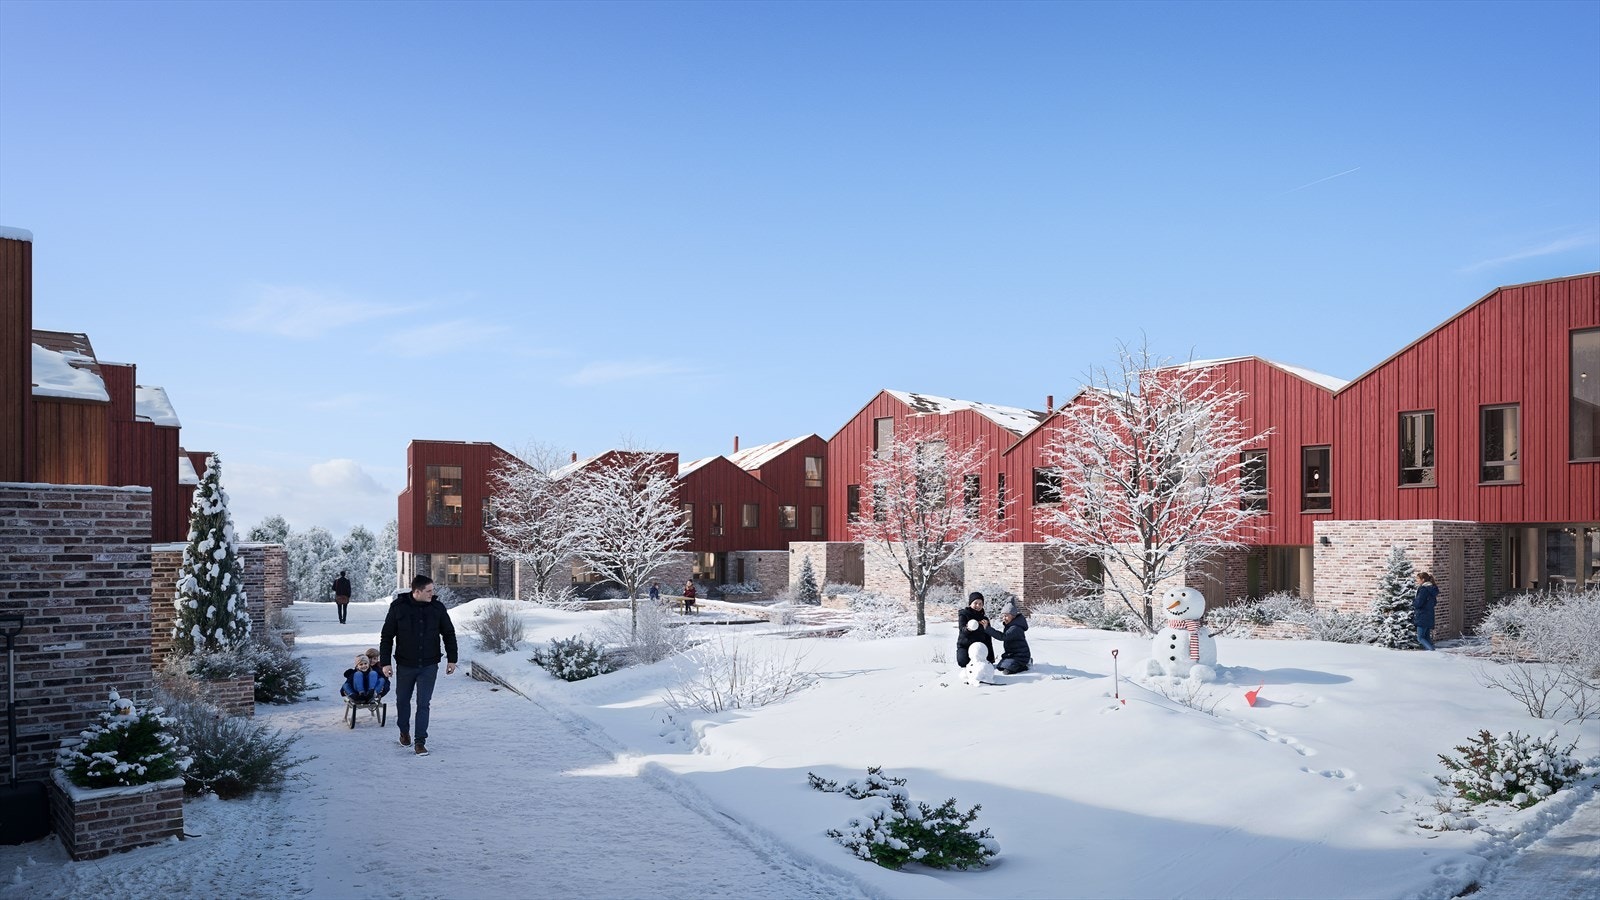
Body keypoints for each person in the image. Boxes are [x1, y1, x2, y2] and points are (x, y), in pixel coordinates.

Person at [380, 575, 458, 756]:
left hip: (429, 665)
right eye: (429, 591)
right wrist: (385, 663)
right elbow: (386, 637)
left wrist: (452, 659)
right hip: (405, 664)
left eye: (433, 590)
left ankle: (420, 741)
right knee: (402, 700)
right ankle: (404, 731)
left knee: (424, 703)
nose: (433, 594)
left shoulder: (437, 608)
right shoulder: (398, 608)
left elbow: (449, 633)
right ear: (417, 591)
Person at [983, 600, 1032, 674]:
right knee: (1000, 667)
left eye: (1006, 616)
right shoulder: (1010, 625)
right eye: (1003, 616)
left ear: (1013, 616)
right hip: (1011, 655)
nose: (1004, 618)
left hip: (1021, 656)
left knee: (1006, 672)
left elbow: (1003, 637)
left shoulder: (1015, 628)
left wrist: (988, 629)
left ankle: (1025, 665)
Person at [955, 592, 995, 669]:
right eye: (975, 603)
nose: (978, 606)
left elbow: (988, 639)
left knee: (980, 665)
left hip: (979, 648)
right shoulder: (964, 615)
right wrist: (969, 628)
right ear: (970, 603)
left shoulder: (984, 619)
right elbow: (962, 629)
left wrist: (991, 658)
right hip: (965, 645)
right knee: (963, 662)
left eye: (980, 603)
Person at [1413, 572, 1439, 651]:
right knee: (1426, 637)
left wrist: (1413, 602)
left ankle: (1433, 652)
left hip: (1422, 616)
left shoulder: (1423, 589)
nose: (1417, 581)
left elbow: (1418, 603)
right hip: (1429, 615)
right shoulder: (1431, 588)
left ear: (1423, 580)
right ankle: (1432, 655)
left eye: (1418, 579)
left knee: (1420, 638)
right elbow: (1434, 602)